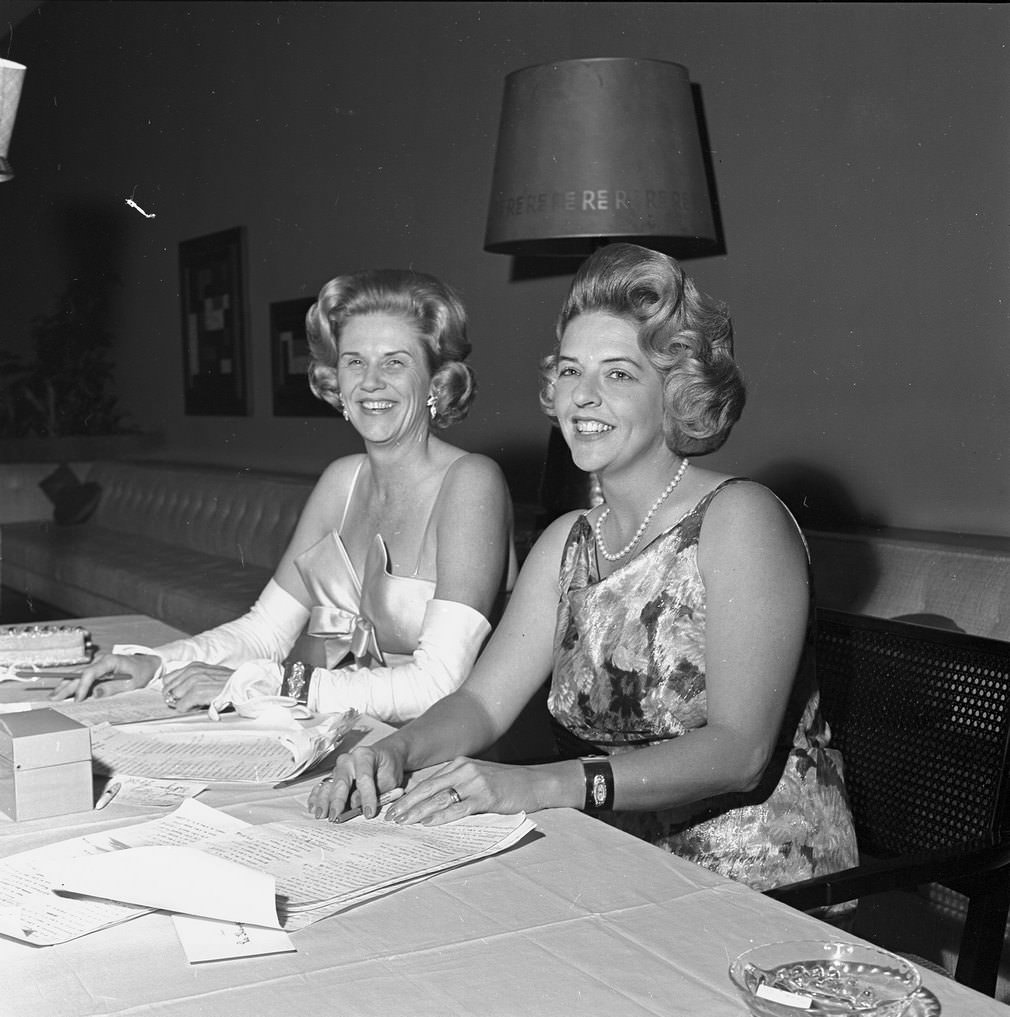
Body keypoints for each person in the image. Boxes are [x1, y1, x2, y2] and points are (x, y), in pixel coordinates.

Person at [311, 243, 858, 894]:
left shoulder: (739, 518)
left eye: (619, 374)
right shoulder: (569, 541)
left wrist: (540, 785)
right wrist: (393, 751)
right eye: (571, 371)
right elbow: (481, 703)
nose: (583, 396)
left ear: (678, 391)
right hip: (613, 862)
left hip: (763, 883)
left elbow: (739, 749)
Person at [53, 268, 517, 724]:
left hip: (447, 753)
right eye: (354, 361)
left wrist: (269, 685)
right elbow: (266, 631)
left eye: (395, 362)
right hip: (344, 725)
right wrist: (156, 665)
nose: (371, 381)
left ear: (437, 383)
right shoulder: (342, 481)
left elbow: (439, 684)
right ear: (334, 379)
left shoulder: (472, 482)